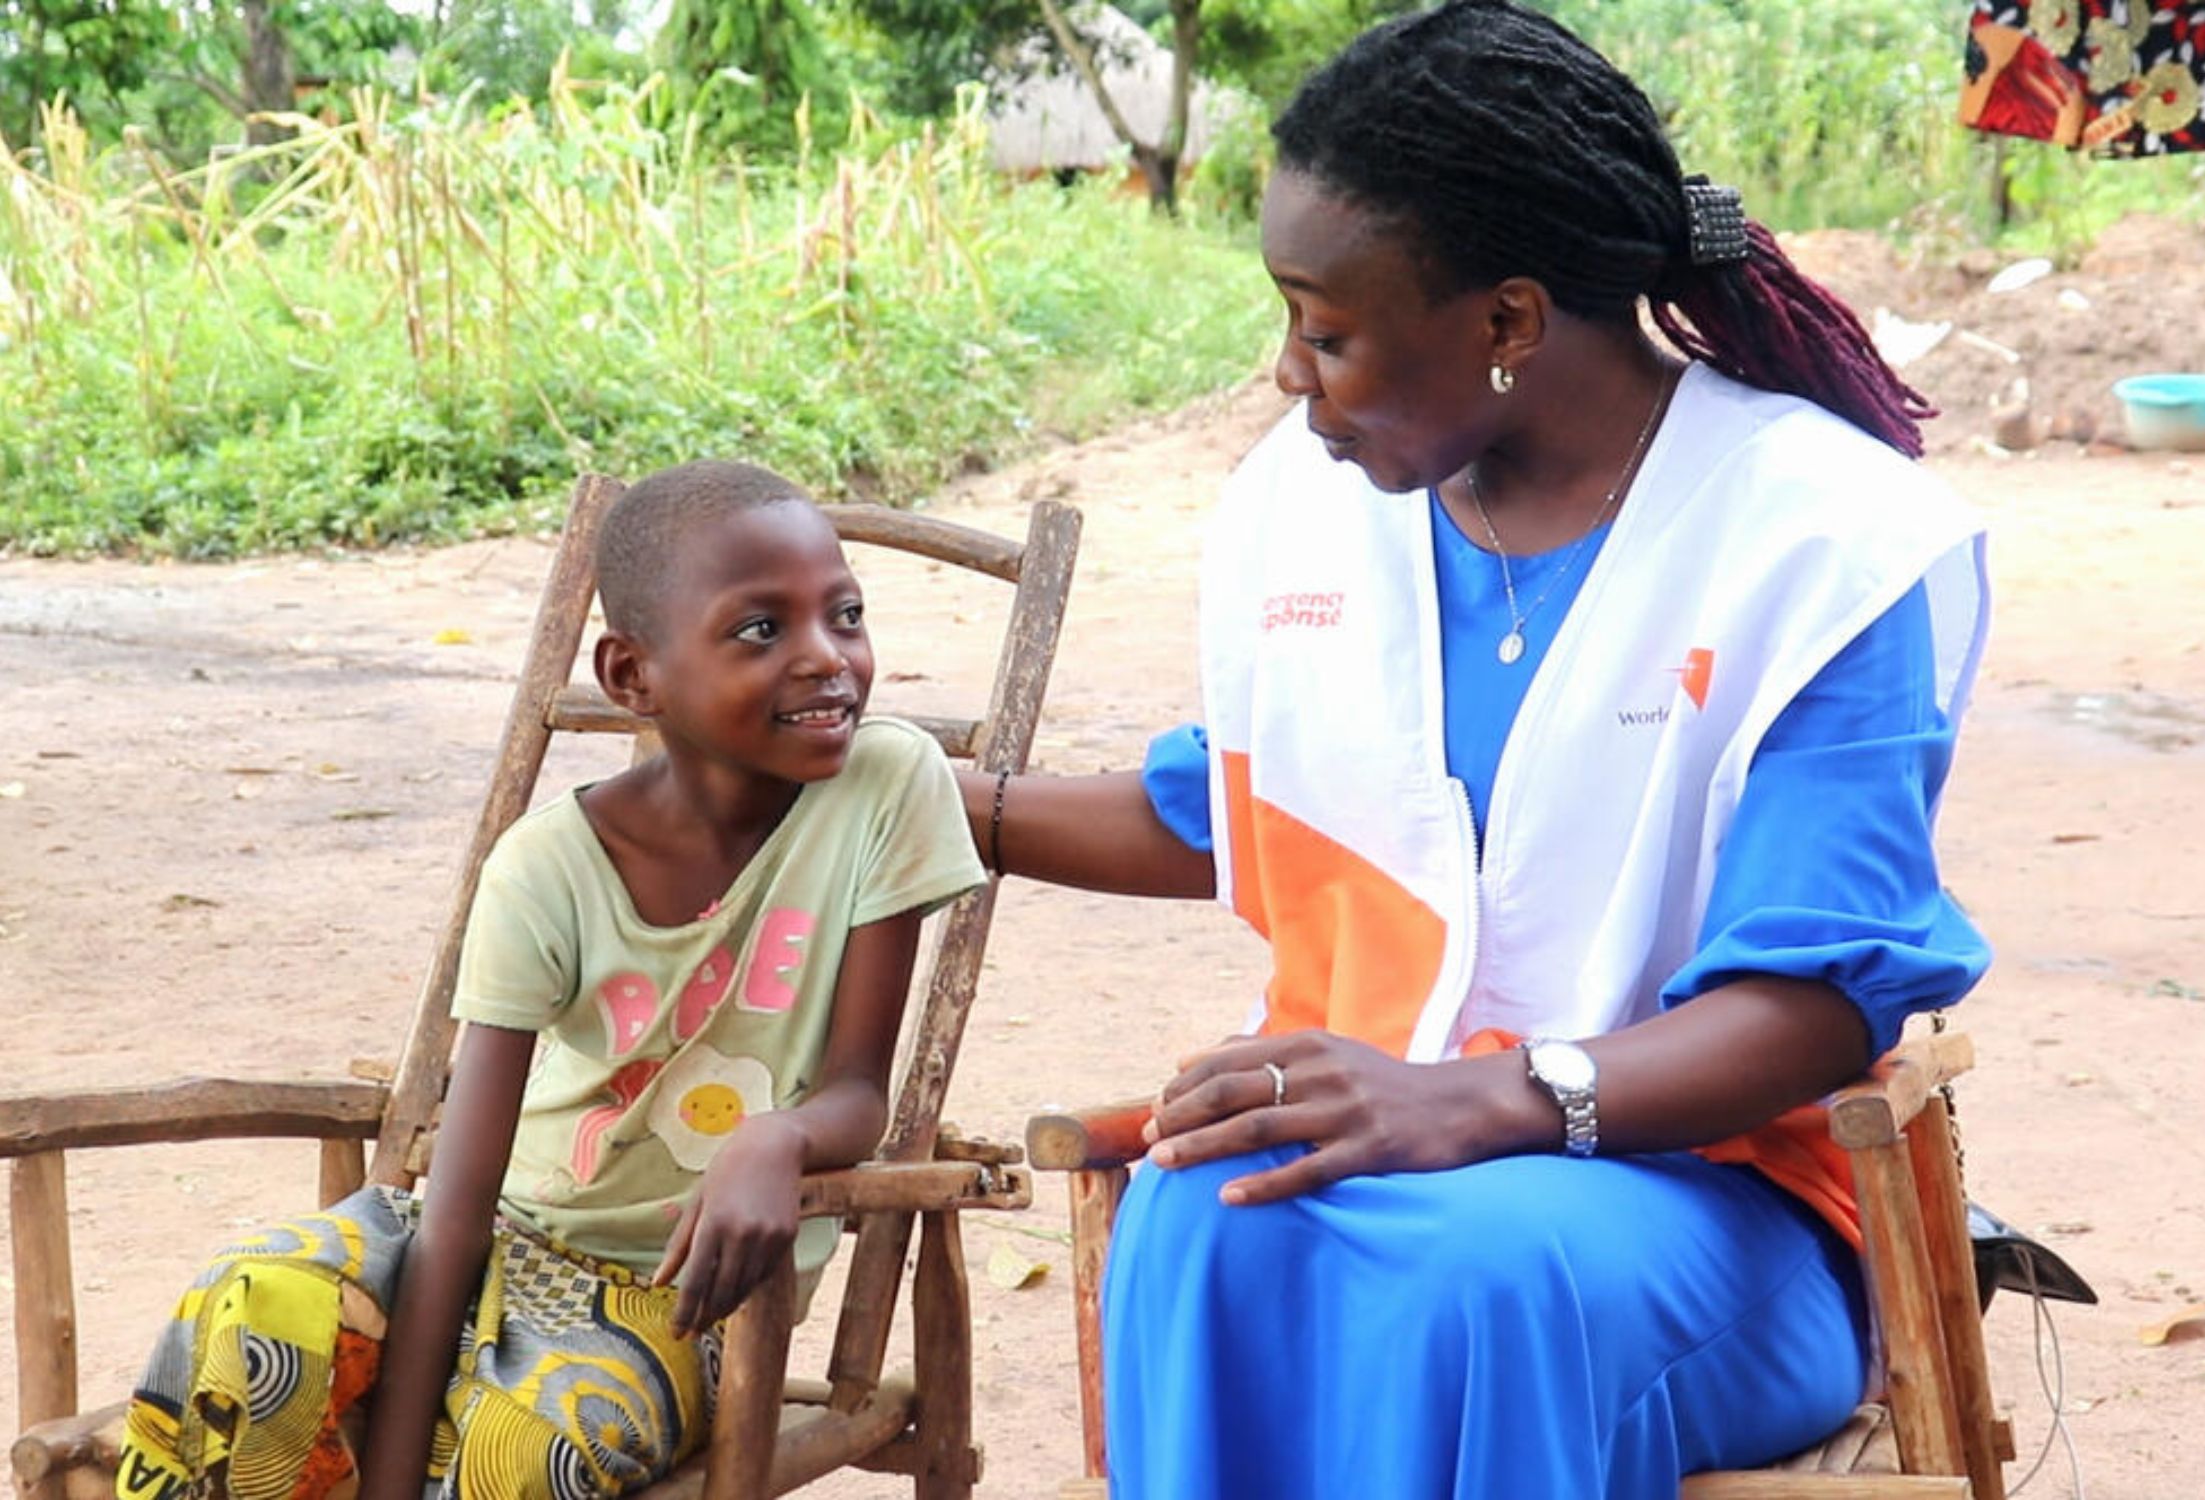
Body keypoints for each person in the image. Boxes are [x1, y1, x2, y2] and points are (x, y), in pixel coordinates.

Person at [962, 3, 1991, 1496]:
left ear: (1507, 322)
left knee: (1480, 1286)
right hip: (1402, 1150)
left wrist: (1471, 1103)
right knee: (1193, 1214)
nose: (1284, 372)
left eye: (1327, 329)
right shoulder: (1304, 514)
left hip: (1715, 1197)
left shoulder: (1821, 544)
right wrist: (939, 801)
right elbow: (1229, 817)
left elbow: (1813, 1003)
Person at [119, 461, 985, 1500]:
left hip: (671, 1292)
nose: (824, 659)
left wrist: (776, 1135)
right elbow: (457, 1207)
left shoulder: (885, 787)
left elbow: (854, 1089)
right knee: (254, 1298)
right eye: (761, 630)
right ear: (632, 677)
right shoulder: (546, 867)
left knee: (526, 1454)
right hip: (498, 1234)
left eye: (843, 615)